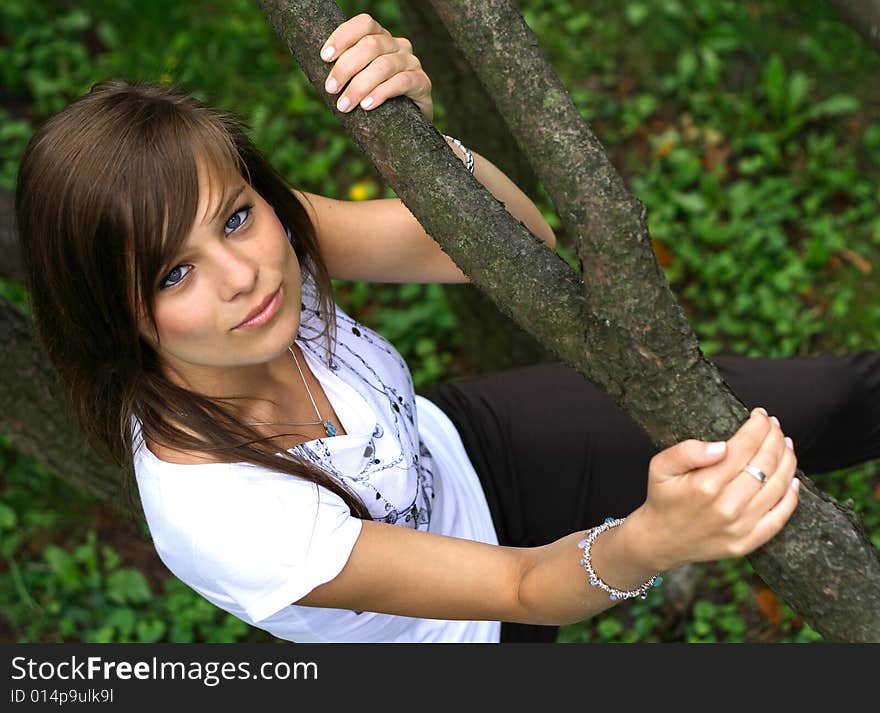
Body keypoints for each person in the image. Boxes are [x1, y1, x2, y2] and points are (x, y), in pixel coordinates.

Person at [14, 13, 880, 643]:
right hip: (462, 641)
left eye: (234, 218)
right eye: (174, 273)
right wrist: (655, 539)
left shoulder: (269, 241)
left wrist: (422, 147)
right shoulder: (219, 510)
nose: (242, 276)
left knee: (837, 396)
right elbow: (520, 586)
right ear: (113, 317)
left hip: (470, 450)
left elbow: (516, 243)